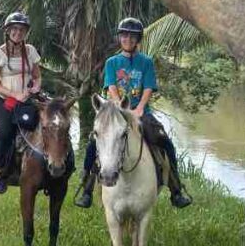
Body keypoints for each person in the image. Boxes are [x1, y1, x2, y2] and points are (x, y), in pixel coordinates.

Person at [74, 17, 193, 209]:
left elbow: (148, 87)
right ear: (120, 38)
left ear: (138, 39)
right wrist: (121, 108)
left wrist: (139, 108)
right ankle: (86, 189)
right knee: (93, 145)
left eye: (132, 36)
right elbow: (111, 86)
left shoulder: (146, 62)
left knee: (164, 141)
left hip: (140, 111)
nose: (127, 39)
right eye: (124, 35)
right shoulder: (112, 62)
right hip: (116, 112)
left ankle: (176, 189)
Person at [0, 11, 41, 194]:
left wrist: (36, 88)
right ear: (8, 31)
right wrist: (14, 94)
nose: (18, 33)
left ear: (26, 32)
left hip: (27, 99)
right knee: (5, 133)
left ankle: (48, 166)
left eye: (21, 29)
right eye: (14, 29)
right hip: (5, 101)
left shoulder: (31, 51)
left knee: (45, 125)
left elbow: (37, 76)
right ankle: (2, 174)